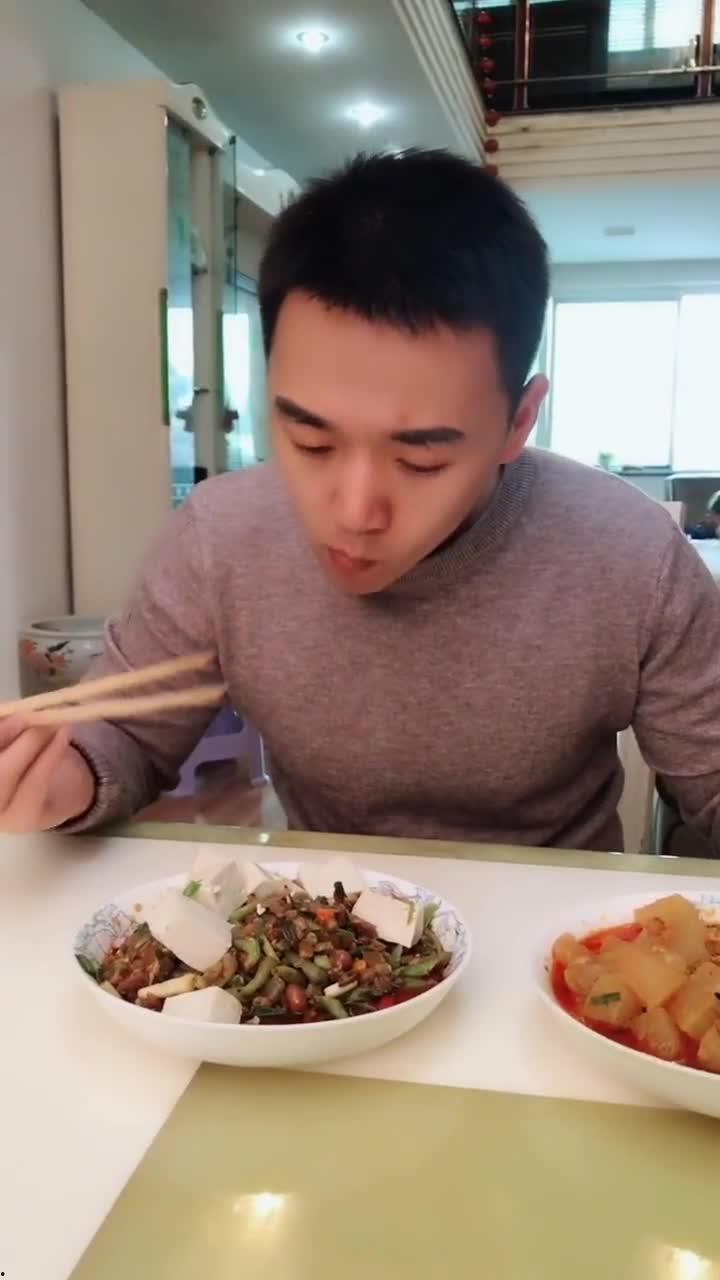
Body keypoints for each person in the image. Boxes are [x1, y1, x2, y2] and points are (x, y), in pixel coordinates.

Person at [2, 149, 720, 853]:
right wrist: (54, 777)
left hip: (558, 924)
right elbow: (120, 732)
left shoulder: (631, 558)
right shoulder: (219, 541)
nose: (353, 512)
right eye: (310, 441)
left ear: (518, 421)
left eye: (420, 460)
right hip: (325, 917)